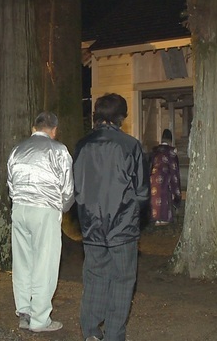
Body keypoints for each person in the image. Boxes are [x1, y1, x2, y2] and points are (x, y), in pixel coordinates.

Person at [73, 93, 149, 341]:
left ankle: (91, 332)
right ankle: (114, 334)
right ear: (120, 117)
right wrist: (130, 213)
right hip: (122, 226)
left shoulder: (81, 146)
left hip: (91, 224)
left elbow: (75, 187)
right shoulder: (130, 145)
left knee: (94, 277)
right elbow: (142, 192)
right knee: (123, 279)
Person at [7, 111, 74, 333]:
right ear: (54, 130)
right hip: (45, 209)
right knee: (45, 263)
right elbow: (68, 189)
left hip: (19, 209)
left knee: (23, 261)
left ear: (33, 128)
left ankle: (24, 310)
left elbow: (10, 183)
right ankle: (40, 319)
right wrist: (62, 207)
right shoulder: (58, 150)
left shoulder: (17, 150)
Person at [150, 129, 182, 225]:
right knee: (164, 197)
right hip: (165, 181)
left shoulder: (155, 151)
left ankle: (156, 218)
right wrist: (176, 192)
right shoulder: (171, 153)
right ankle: (164, 219)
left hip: (153, 180)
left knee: (155, 199)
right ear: (170, 140)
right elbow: (174, 171)